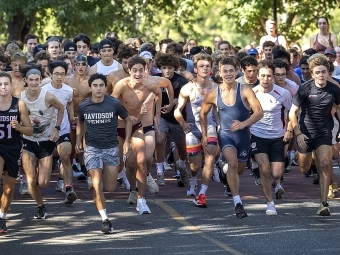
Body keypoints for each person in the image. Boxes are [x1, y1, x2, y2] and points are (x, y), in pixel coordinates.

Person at [200, 57, 263, 218]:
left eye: (231, 71)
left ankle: (223, 169)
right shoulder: (213, 94)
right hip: (225, 135)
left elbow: (259, 112)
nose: (228, 74)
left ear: (236, 71)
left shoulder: (245, 90)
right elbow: (203, 113)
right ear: (219, 73)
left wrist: (244, 124)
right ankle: (238, 203)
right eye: (224, 71)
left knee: (239, 169)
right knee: (233, 163)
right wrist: (205, 135)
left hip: (243, 136)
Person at [76, 73, 131, 234]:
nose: (98, 88)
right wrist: (79, 140)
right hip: (92, 148)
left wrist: (127, 141)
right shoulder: (84, 105)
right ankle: (105, 219)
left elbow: (127, 119)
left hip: (111, 148)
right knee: (96, 184)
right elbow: (80, 121)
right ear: (90, 87)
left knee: (111, 187)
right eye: (95, 85)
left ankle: (120, 176)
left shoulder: (114, 103)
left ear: (105, 87)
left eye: (101, 85)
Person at [289, 54, 340, 216]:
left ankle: (323, 204)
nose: (321, 75)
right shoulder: (305, 89)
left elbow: (338, 107)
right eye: (317, 72)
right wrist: (297, 133)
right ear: (312, 73)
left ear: (327, 72)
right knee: (304, 167)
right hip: (305, 132)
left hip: (324, 132)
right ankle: (302, 156)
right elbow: (292, 113)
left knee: (325, 163)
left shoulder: (334, 89)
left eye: (324, 72)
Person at [112, 56, 161, 214]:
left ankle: (141, 198)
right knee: (127, 164)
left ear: (145, 70)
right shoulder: (122, 85)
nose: (138, 73)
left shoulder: (150, 85)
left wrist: (156, 115)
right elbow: (111, 105)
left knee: (141, 161)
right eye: (135, 70)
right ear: (129, 70)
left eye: (141, 70)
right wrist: (123, 117)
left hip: (137, 127)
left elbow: (158, 94)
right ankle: (133, 189)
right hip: (120, 127)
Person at [19, 65, 64, 219]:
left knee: (43, 182)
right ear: (25, 80)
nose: (34, 83)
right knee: (31, 181)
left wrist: (57, 128)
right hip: (28, 140)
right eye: (31, 80)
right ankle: (41, 206)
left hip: (46, 140)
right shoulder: (20, 97)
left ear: (40, 80)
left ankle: (43, 168)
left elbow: (61, 108)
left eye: (36, 80)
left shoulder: (48, 96)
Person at [174, 53, 219, 207]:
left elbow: (218, 110)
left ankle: (202, 193)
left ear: (212, 68)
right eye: (201, 66)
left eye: (208, 66)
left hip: (210, 126)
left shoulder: (216, 88)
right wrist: (183, 123)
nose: (205, 68)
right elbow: (177, 111)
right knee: (194, 165)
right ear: (196, 69)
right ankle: (193, 179)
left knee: (210, 155)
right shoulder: (188, 88)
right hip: (193, 128)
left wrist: (220, 126)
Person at [250, 60, 292, 215]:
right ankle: (270, 203)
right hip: (258, 135)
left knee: (276, 173)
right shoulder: (252, 93)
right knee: (265, 170)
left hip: (277, 137)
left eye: (269, 76)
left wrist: (288, 130)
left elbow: (290, 113)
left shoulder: (283, 94)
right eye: (262, 76)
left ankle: (277, 183)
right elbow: (246, 114)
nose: (265, 79)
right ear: (257, 76)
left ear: (273, 77)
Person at [0, 72, 33, 234]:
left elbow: (30, 130)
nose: (3, 87)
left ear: (11, 85)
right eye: (0, 84)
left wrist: (19, 127)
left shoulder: (19, 104)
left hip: (13, 148)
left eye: (6, 84)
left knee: (8, 189)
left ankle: (2, 216)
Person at [43, 60, 77, 204]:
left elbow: (69, 102)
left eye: (62, 74)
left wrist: (71, 116)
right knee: (43, 178)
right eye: (56, 74)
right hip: (45, 131)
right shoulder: (43, 89)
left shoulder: (68, 90)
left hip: (62, 129)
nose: (59, 77)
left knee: (66, 155)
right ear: (50, 74)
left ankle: (69, 188)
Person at [154, 53, 188, 186]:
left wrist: (174, 103)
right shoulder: (155, 79)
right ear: (160, 68)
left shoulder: (181, 81)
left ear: (175, 67)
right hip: (161, 116)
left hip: (177, 118)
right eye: (164, 67)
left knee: (181, 148)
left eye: (170, 68)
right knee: (159, 140)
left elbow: (187, 98)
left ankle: (182, 166)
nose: (167, 71)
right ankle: (160, 171)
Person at [64, 54, 91, 179]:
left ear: (87, 66)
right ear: (74, 65)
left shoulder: (90, 81)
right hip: (70, 117)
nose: (80, 67)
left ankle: (85, 169)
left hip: (85, 119)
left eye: (83, 64)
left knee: (84, 146)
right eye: (78, 64)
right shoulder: (67, 80)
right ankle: (65, 177)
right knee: (71, 147)